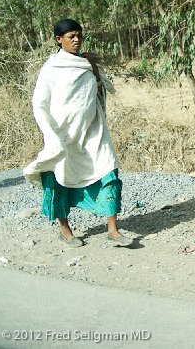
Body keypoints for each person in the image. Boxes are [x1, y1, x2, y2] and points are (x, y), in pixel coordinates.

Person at [23, 18, 131, 248]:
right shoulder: (52, 68)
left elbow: (99, 90)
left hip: (92, 130)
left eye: (79, 35)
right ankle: (65, 229)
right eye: (71, 36)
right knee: (60, 178)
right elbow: (39, 104)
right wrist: (51, 135)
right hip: (64, 135)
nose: (76, 39)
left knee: (108, 170)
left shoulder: (87, 63)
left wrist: (93, 68)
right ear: (58, 39)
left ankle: (113, 229)